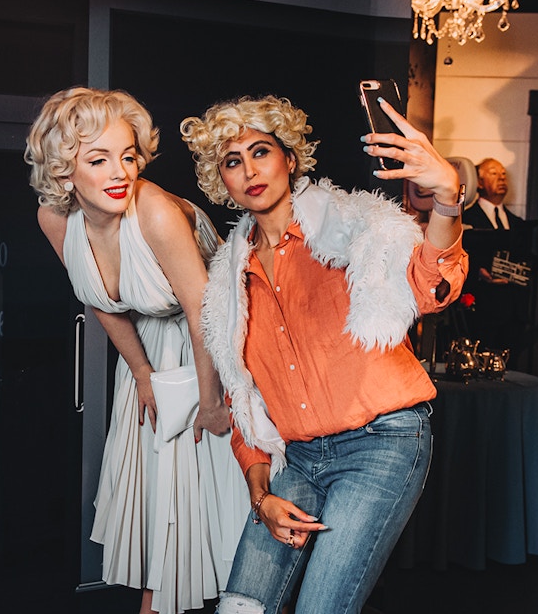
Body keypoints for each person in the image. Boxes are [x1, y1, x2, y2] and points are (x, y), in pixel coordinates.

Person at [180, 95, 469, 614]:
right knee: (240, 608)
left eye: (261, 152)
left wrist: (447, 199)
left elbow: (431, 288)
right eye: (232, 161)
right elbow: (244, 396)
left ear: (290, 158)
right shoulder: (228, 282)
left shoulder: (354, 225)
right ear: (221, 180)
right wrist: (260, 496)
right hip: (300, 459)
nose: (250, 170)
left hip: (381, 444)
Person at [25, 87, 245, 614]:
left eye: (127, 156)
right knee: (162, 507)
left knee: (227, 512)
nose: (120, 172)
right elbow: (97, 295)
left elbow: (206, 314)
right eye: (98, 159)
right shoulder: (53, 219)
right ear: (64, 172)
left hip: (217, 350)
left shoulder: (155, 213)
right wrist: (142, 372)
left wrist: (212, 402)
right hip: (151, 353)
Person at [463, 157, 534, 361]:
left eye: (503, 174)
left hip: (514, 313)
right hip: (481, 311)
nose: (501, 178)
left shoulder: (517, 223)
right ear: (479, 182)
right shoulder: (465, 219)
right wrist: (478, 271)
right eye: (494, 173)